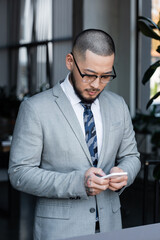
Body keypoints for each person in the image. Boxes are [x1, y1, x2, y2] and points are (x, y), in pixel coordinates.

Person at [9, 29, 141, 240]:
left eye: (106, 76)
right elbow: (19, 173)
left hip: (112, 227)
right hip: (60, 232)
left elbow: (132, 157)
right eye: (89, 75)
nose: (97, 85)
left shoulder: (118, 105)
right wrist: (78, 182)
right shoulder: (35, 108)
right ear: (70, 62)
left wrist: (123, 174)